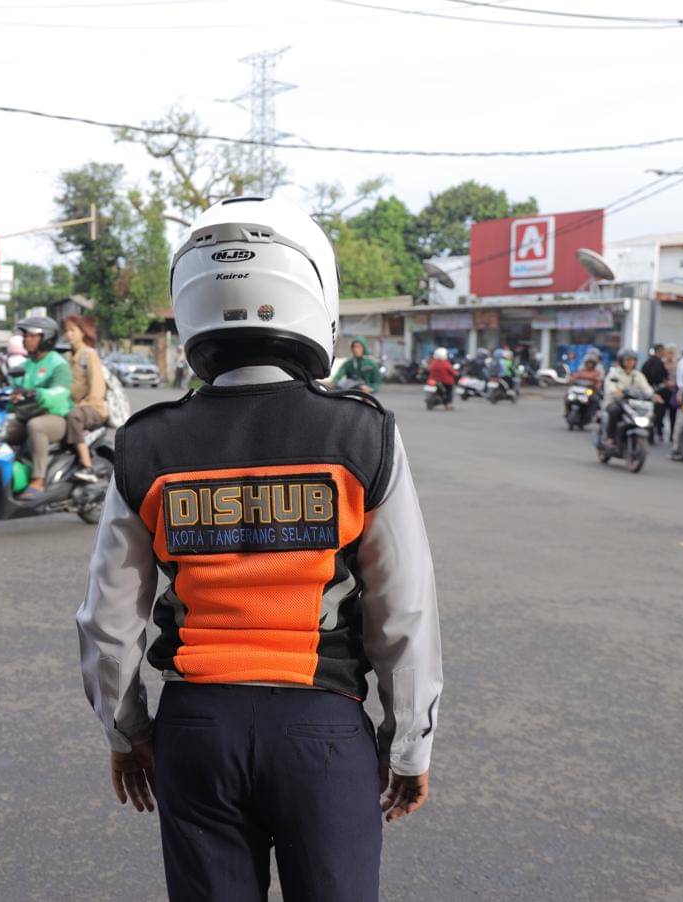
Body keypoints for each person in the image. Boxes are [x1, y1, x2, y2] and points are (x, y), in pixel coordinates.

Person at [77, 196, 441, 901]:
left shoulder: (148, 443)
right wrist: (409, 746)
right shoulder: (363, 436)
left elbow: (108, 620)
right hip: (323, 731)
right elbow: (404, 614)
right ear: (313, 295)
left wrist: (128, 735)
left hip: (197, 732)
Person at [11, 316, 72, 498]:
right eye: (25, 336)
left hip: (56, 417)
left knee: (36, 426)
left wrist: (39, 394)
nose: (26, 340)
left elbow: (61, 394)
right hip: (27, 414)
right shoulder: (26, 365)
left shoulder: (58, 364)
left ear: (46, 338)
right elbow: (13, 388)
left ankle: (38, 480)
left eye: (31, 336)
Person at [62, 314, 109, 483]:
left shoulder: (88, 354)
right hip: (75, 406)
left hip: (93, 408)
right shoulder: (67, 357)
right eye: (66, 331)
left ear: (82, 332)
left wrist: (84, 405)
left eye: (73, 331)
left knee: (73, 416)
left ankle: (87, 466)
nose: (69, 335)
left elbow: (98, 386)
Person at [603, 348, 653, 448]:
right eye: (627, 360)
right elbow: (610, 386)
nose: (630, 362)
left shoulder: (638, 375)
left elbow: (646, 388)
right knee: (614, 411)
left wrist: (651, 395)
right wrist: (617, 391)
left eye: (632, 360)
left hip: (632, 404)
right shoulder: (614, 373)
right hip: (615, 402)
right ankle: (611, 438)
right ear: (621, 361)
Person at [641, 344, 669, 444]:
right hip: (657, 393)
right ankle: (652, 435)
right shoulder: (657, 363)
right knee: (656, 415)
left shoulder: (647, 362)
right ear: (659, 351)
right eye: (663, 350)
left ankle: (651, 434)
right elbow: (658, 377)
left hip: (648, 392)